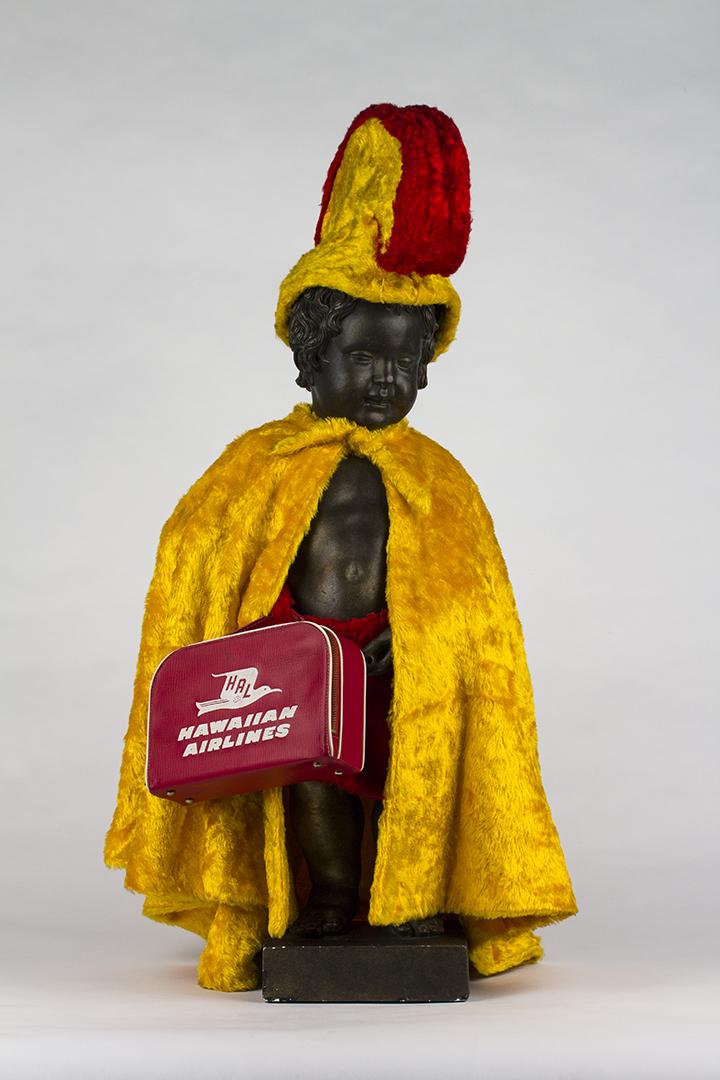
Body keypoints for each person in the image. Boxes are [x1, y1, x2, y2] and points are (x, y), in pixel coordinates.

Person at [106, 104, 576, 992]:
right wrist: (263, 636)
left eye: (403, 361)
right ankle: (326, 901)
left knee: (408, 778)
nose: (385, 379)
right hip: (302, 659)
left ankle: (411, 902)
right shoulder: (260, 465)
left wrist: (424, 642)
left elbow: (472, 602)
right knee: (313, 787)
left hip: (402, 659)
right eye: (363, 358)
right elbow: (201, 552)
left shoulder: (440, 480)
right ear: (312, 359)